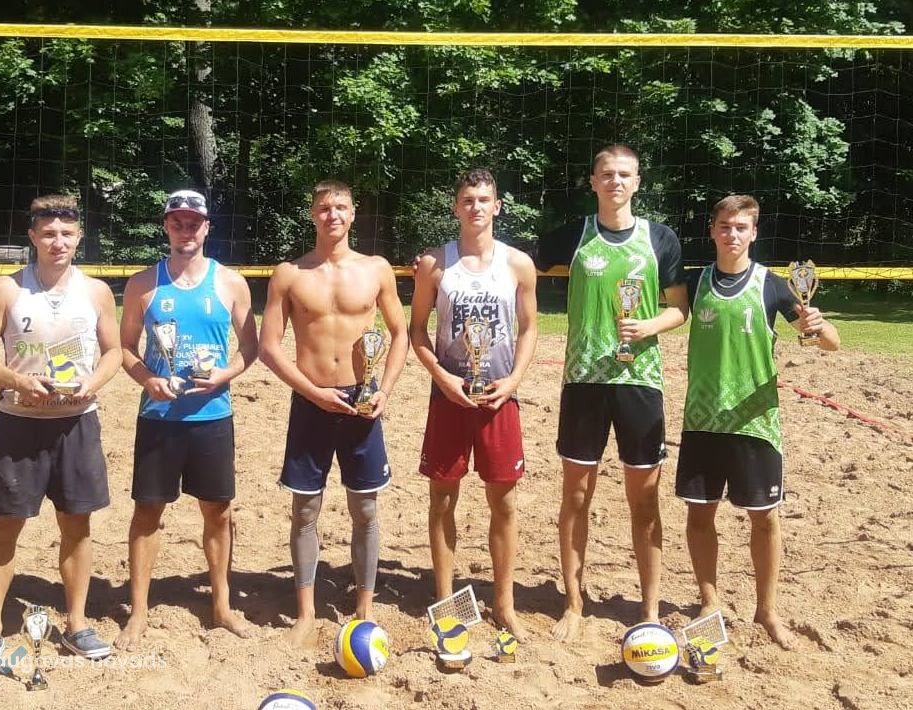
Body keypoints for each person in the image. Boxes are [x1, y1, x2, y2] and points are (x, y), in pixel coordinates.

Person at [535, 144, 689, 640]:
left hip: (639, 382)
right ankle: (573, 602)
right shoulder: (574, 235)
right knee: (576, 495)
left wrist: (648, 326)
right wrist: (439, 260)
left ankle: (649, 609)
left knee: (644, 501)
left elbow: (679, 309)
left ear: (637, 182)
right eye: (607, 174)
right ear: (593, 181)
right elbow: (514, 259)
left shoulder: (660, 238)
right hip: (583, 381)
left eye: (624, 174)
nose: (615, 181)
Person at [0, 194, 121, 671]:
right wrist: (17, 380)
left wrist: (92, 384)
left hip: (77, 422)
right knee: (4, 527)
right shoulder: (7, 289)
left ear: (79, 237)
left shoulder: (96, 292)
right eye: (48, 233)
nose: (58, 242)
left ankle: (77, 624)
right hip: (19, 424)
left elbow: (114, 351)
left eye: (67, 234)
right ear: (32, 236)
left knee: (77, 526)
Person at [677, 195, 839, 648]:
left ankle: (766, 610)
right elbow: (663, 311)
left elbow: (832, 343)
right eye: (725, 226)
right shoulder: (695, 282)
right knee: (699, 513)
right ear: (712, 230)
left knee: (764, 519)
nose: (732, 234)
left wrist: (818, 326)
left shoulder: (773, 285)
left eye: (741, 227)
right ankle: (709, 600)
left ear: (754, 232)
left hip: (756, 423)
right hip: (703, 420)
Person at [259, 179, 408, 648]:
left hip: (362, 400)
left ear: (353, 212)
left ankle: (365, 605)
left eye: (341, 206)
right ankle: (305, 611)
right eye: (324, 208)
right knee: (305, 508)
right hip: (312, 401)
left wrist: (384, 390)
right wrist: (313, 392)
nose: (332, 215)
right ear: (312, 214)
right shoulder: (290, 274)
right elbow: (268, 347)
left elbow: (400, 334)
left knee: (365, 507)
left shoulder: (376, 269)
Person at [115, 189, 259, 649]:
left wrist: (225, 374)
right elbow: (124, 348)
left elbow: (250, 348)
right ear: (166, 227)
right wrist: (147, 379)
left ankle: (222, 606)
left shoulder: (231, 283)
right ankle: (138, 612)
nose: (185, 230)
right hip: (159, 415)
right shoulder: (143, 283)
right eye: (177, 222)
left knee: (218, 511)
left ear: (206, 227)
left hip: (212, 414)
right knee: (147, 512)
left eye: (193, 223)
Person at [409, 168, 538, 641]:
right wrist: (442, 377)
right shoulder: (435, 264)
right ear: (455, 207)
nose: (476, 207)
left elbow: (530, 328)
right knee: (443, 498)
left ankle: (504, 603)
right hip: (449, 396)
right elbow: (417, 331)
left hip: (499, 395)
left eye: (484, 200)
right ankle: (445, 599)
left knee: (503, 502)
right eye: (467, 200)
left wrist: (514, 380)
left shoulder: (518, 263)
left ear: (497, 206)